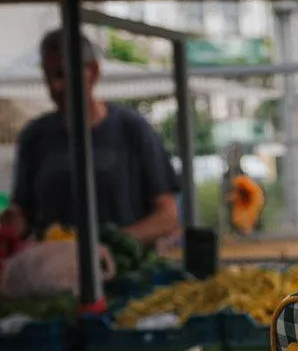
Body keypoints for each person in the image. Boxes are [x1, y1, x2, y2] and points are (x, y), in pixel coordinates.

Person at [3, 29, 180, 246]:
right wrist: (11, 223)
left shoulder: (133, 130)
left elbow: (167, 216)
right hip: (54, 271)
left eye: (62, 74)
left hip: (124, 271)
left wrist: (110, 244)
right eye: (49, 76)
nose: (56, 86)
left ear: (94, 72)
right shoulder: (34, 136)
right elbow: (23, 215)